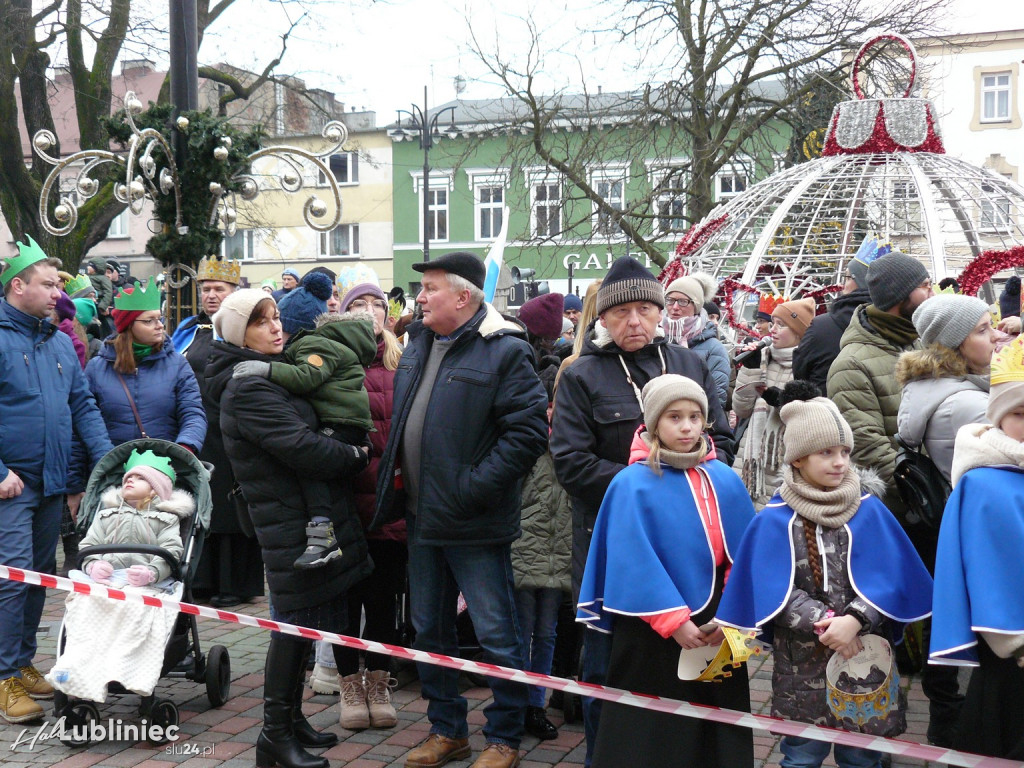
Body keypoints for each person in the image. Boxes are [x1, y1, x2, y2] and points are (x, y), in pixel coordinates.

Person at [550, 256, 735, 767]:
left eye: (645, 309)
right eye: (621, 313)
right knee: (609, 669)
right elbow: (570, 464)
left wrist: (689, 485)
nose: (634, 321)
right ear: (603, 320)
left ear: (660, 313)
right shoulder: (580, 374)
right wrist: (650, 489)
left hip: (696, 550)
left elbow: (720, 437)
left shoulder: (690, 364)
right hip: (615, 546)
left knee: (698, 664)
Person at [371, 251, 548, 768]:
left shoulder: (505, 350)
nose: (419, 297)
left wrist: (472, 489)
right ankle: (448, 730)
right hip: (422, 519)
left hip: (474, 521)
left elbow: (528, 435)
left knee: (496, 633)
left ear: (463, 296)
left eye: (429, 289)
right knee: (429, 630)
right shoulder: (420, 343)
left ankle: (503, 739)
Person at [716, 386, 933, 768]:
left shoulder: (869, 511)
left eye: (844, 452)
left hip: (866, 659)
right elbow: (769, 589)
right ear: (798, 459)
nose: (839, 462)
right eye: (826, 452)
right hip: (802, 668)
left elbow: (894, 576)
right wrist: (827, 623)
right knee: (801, 757)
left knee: (862, 757)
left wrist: (856, 619)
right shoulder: (773, 519)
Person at [207, 289, 372, 768]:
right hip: (287, 518)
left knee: (301, 622)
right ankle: (274, 735)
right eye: (262, 322)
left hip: (297, 513)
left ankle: (292, 721)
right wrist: (354, 456)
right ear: (242, 333)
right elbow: (301, 447)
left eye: (277, 317)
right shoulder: (250, 386)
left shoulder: (269, 373)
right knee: (289, 623)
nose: (276, 328)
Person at [578, 374, 755, 766]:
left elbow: (744, 555)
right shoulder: (630, 484)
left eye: (696, 416)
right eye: (674, 417)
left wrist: (731, 616)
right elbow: (631, 559)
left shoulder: (725, 479)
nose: (688, 426)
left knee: (718, 728)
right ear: (654, 422)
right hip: (650, 628)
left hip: (717, 627)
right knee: (651, 734)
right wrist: (674, 621)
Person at [0, 236, 113, 723]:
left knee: (37, 578)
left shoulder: (61, 342)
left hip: (49, 481)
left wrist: (109, 461)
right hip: (10, 484)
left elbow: (82, 405)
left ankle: (21, 663)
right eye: (47, 284)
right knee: (11, 578)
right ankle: (4, 677)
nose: (56, 294)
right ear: (17, 286)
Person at [308, 280, 407, 734]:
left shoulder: (403, 363)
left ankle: (380, 684)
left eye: (376, 305)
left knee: (383, 601)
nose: (369, 312)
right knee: (343, 604)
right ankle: (350, 684)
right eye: (358, 305)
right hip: (343, 502)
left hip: (390, 504)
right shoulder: (328, 361)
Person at [232, 275, 377, 571]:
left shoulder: (314, 345)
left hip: (343, 421)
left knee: (312, 466)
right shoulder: (314, 344)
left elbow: (307, 377)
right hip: (342, 418)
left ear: (293, 327)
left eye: (279, 322)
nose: (275, 330)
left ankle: (322, 533)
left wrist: (267, 370)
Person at [930, 333, 1024, 759]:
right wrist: (1014, 640)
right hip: (1013, 650)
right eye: (1020, 413)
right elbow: (986, 570)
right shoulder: (984, 484)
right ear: (1000, 417)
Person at [46, 450, 191, 702]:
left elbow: (171, 550)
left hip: (146, 583)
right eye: (127, 477)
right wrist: (92, 565)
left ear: (156, 490)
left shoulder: (166, 519)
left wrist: (152, 572)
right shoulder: (106, 515)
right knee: (84, 603)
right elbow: (89, 545)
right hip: (107, 579)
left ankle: (128, 666)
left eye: (139, 477)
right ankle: (78, 665)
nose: (129, 480)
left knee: (140, 608)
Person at [171, 256, 264, 609]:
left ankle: (236, 582)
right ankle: (205, 579)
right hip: (199, 429)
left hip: (234, 427)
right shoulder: (190, 331)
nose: (211, 295)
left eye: (218, 289)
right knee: (203, 501)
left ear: (234, 292)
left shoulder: (243, 332)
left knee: (233, 505)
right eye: (206, 289)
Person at [827, 250, 933, 522]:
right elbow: (866, 445)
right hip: (903, 512)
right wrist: (925, 489)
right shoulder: (851, 364)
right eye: (924, 286)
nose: (932, 293)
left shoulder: (916, 342)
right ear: (900, 294)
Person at [84, 277, 206, 453]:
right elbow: (87, 422)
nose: (159, 326)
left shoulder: (177, 364)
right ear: (128, 326)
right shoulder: (96, 368)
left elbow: (193, 412)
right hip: (112, 469)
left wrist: (184, 448)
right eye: (149, 321)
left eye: (159, 319)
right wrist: (106, 460)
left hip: (165, 466)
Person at [732, 297, 814, 509]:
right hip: (747, 461)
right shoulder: (762, 357)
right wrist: (749, 369)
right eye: (773, 323)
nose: (773, 329)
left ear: (799, 332)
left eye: (781, 324)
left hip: (781, 463)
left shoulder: (806, 365)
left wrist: (781, 400)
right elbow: (741, 409)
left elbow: (808, 419)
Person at [793, 237, 880, 395]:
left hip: (824, 413)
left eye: (848, 277)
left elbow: (800, 372)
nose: (842, 285)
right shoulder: (897, 325)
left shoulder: (821, 327)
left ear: (860, 282)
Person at [661, 271, 729, 407]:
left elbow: (717, 398)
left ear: (696, 306)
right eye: (670, 300)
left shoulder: (713, 348)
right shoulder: (655, 339)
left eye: (683, 302)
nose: (675, 307)